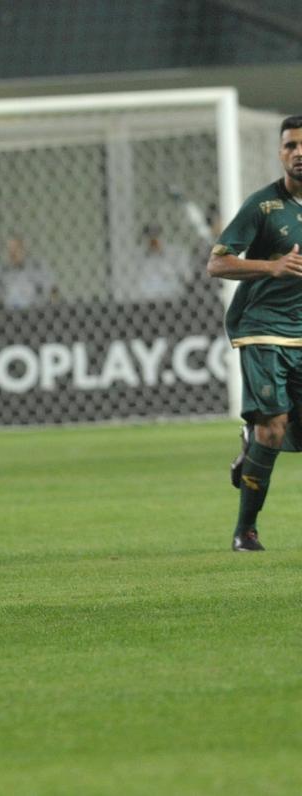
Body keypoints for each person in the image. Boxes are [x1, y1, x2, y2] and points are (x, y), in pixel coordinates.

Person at [209, 115, 302, 552]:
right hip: (263, 328)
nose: (298, 152)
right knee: (273, 428)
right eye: (290, 146)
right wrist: (272, 266)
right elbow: (218, 263)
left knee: (282, 434)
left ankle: (251, 448)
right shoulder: (263, 206)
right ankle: (245, 531)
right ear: (280, 153)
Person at [131, 222, 192, 301]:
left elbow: (187, 276)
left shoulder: (176, 255)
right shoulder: (138, 258)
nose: (154, 240)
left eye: (156, 236)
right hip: (145, 299)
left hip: (172, 297)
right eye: (150, 236)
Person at [0, 236, 57, 309]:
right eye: (10, 250)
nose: (12, 254)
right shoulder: (4, 270)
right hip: (9, 311)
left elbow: (52, 289)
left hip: (35, 309)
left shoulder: (36, 266)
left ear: (23, 250)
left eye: (15, 250)